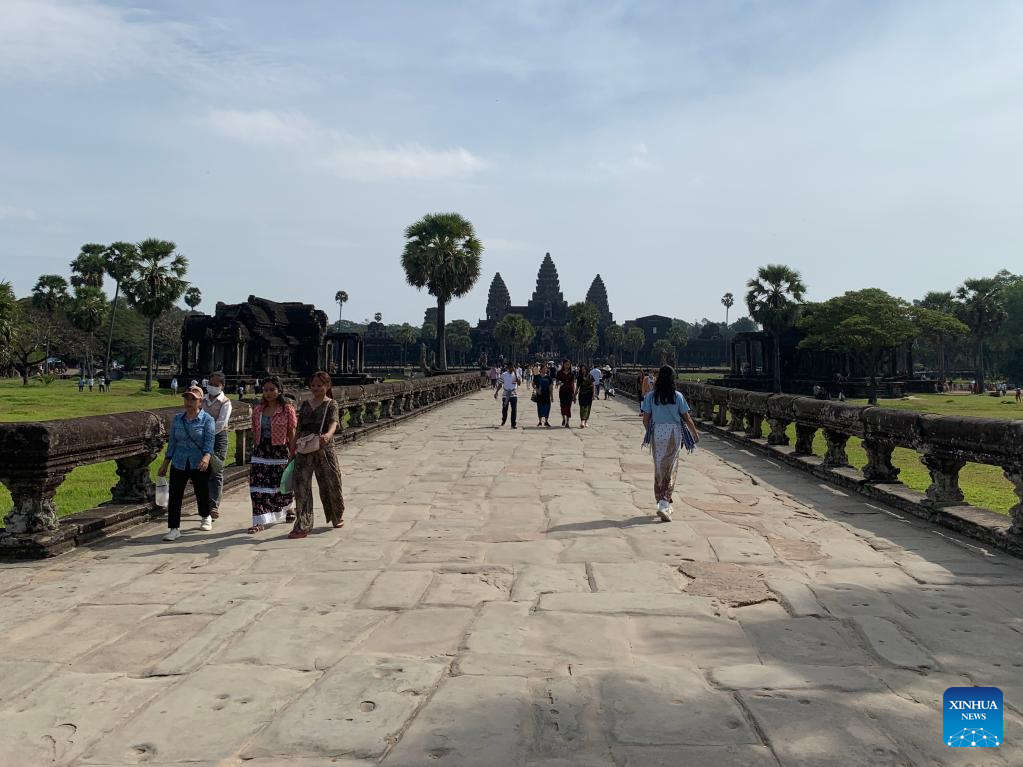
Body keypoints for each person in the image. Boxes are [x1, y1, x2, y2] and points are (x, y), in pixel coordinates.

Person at [641, 366, 700, 522]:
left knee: (659, 466)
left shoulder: (651, 396)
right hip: (674, 433)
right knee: (671, 467)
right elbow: (686, 417)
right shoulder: (677, 396)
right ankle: (664, 503)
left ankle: (661, 499)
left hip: (657, 432)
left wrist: (651, 433)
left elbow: (645, 419)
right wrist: (694, 432)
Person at [290, 371, 345, 538]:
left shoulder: (331, 404)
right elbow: (299, 428)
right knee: (301, 487)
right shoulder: (306, 405)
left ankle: (336, 515)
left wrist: (328, 434)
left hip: (324, 448)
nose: (315, 388)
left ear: (327, 386)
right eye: (312, 385)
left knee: (331, 483)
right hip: (305, 448)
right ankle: (303, 524)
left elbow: (334, 422)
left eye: (319, 385)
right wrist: (292, 448)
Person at [157, 385, 215, 541]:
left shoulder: (207, 420)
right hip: (179, 461)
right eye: (187, 398)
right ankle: (174, 528)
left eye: (193, 399)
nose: (189, 402)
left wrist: (206, 457)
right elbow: (172, 443)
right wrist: (165, 463)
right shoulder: (177, 419)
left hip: (199, 462)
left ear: (200, 402)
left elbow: (209, 442)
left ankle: (206, 516)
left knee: (201, 491)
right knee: (175, 495)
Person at [248, 376, 297, 533]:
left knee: (280, 485)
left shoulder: (287, 409)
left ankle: (289, 507)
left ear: (279, 391)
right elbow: (254, 431)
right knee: (257, 486)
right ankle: (259, 520)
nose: (268, 393)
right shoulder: (257, 410)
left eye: (272, 390)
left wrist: (293, 453)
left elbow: (292, 433)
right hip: (261, 451)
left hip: (279, 451)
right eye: (265, 390)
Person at [202, 372, 233, 526]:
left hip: (218, 437)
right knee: (201, 470)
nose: (212, 387)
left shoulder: (225, 402)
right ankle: (204, 502)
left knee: (216, 469)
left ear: (222, 386)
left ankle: (213, 505)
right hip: (201, 437)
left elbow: (221, 423)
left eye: (216, 385)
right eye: (210, 384)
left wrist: (207, 434)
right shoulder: (202, 399)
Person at [495, 361, 522, 428]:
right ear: (508, 367)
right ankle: (504, 419)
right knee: (504, 408)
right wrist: (496, 392)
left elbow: (519, 383)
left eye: (513, 367)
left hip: (513, 394)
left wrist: (516, 375)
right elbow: (500, 384)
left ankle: (513, 424)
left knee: (514, 409)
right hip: (506, 394)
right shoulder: (504, 375)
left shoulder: (516, 374)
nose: (512, 368)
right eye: (511, 367)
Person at [555, 359, 575, 427]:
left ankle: (567, 422)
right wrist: (559, 383)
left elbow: (573, 384)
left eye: (568, 364)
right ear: (563, 365)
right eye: (566, 364)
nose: (567, 366)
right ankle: (563, 418)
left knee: (568, 407)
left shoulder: (571, 373)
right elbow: (556, 382)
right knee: (563, 406)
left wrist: (574, 394)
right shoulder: (559, 373)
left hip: (569, 392)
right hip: (562, 392)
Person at [577, 363, 595, 428]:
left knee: (588, 407)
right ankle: (582, 420)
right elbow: (577, 386)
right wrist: (574, 395)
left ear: (586, 369)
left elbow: (593, 386)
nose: (583, 370)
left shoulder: (590, 376)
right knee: (582, 407)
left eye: (584, 369)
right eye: (582, 369)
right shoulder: (579, 377)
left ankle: (586, 421)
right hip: (582, 394)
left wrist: (593, 394)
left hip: (589, 394)